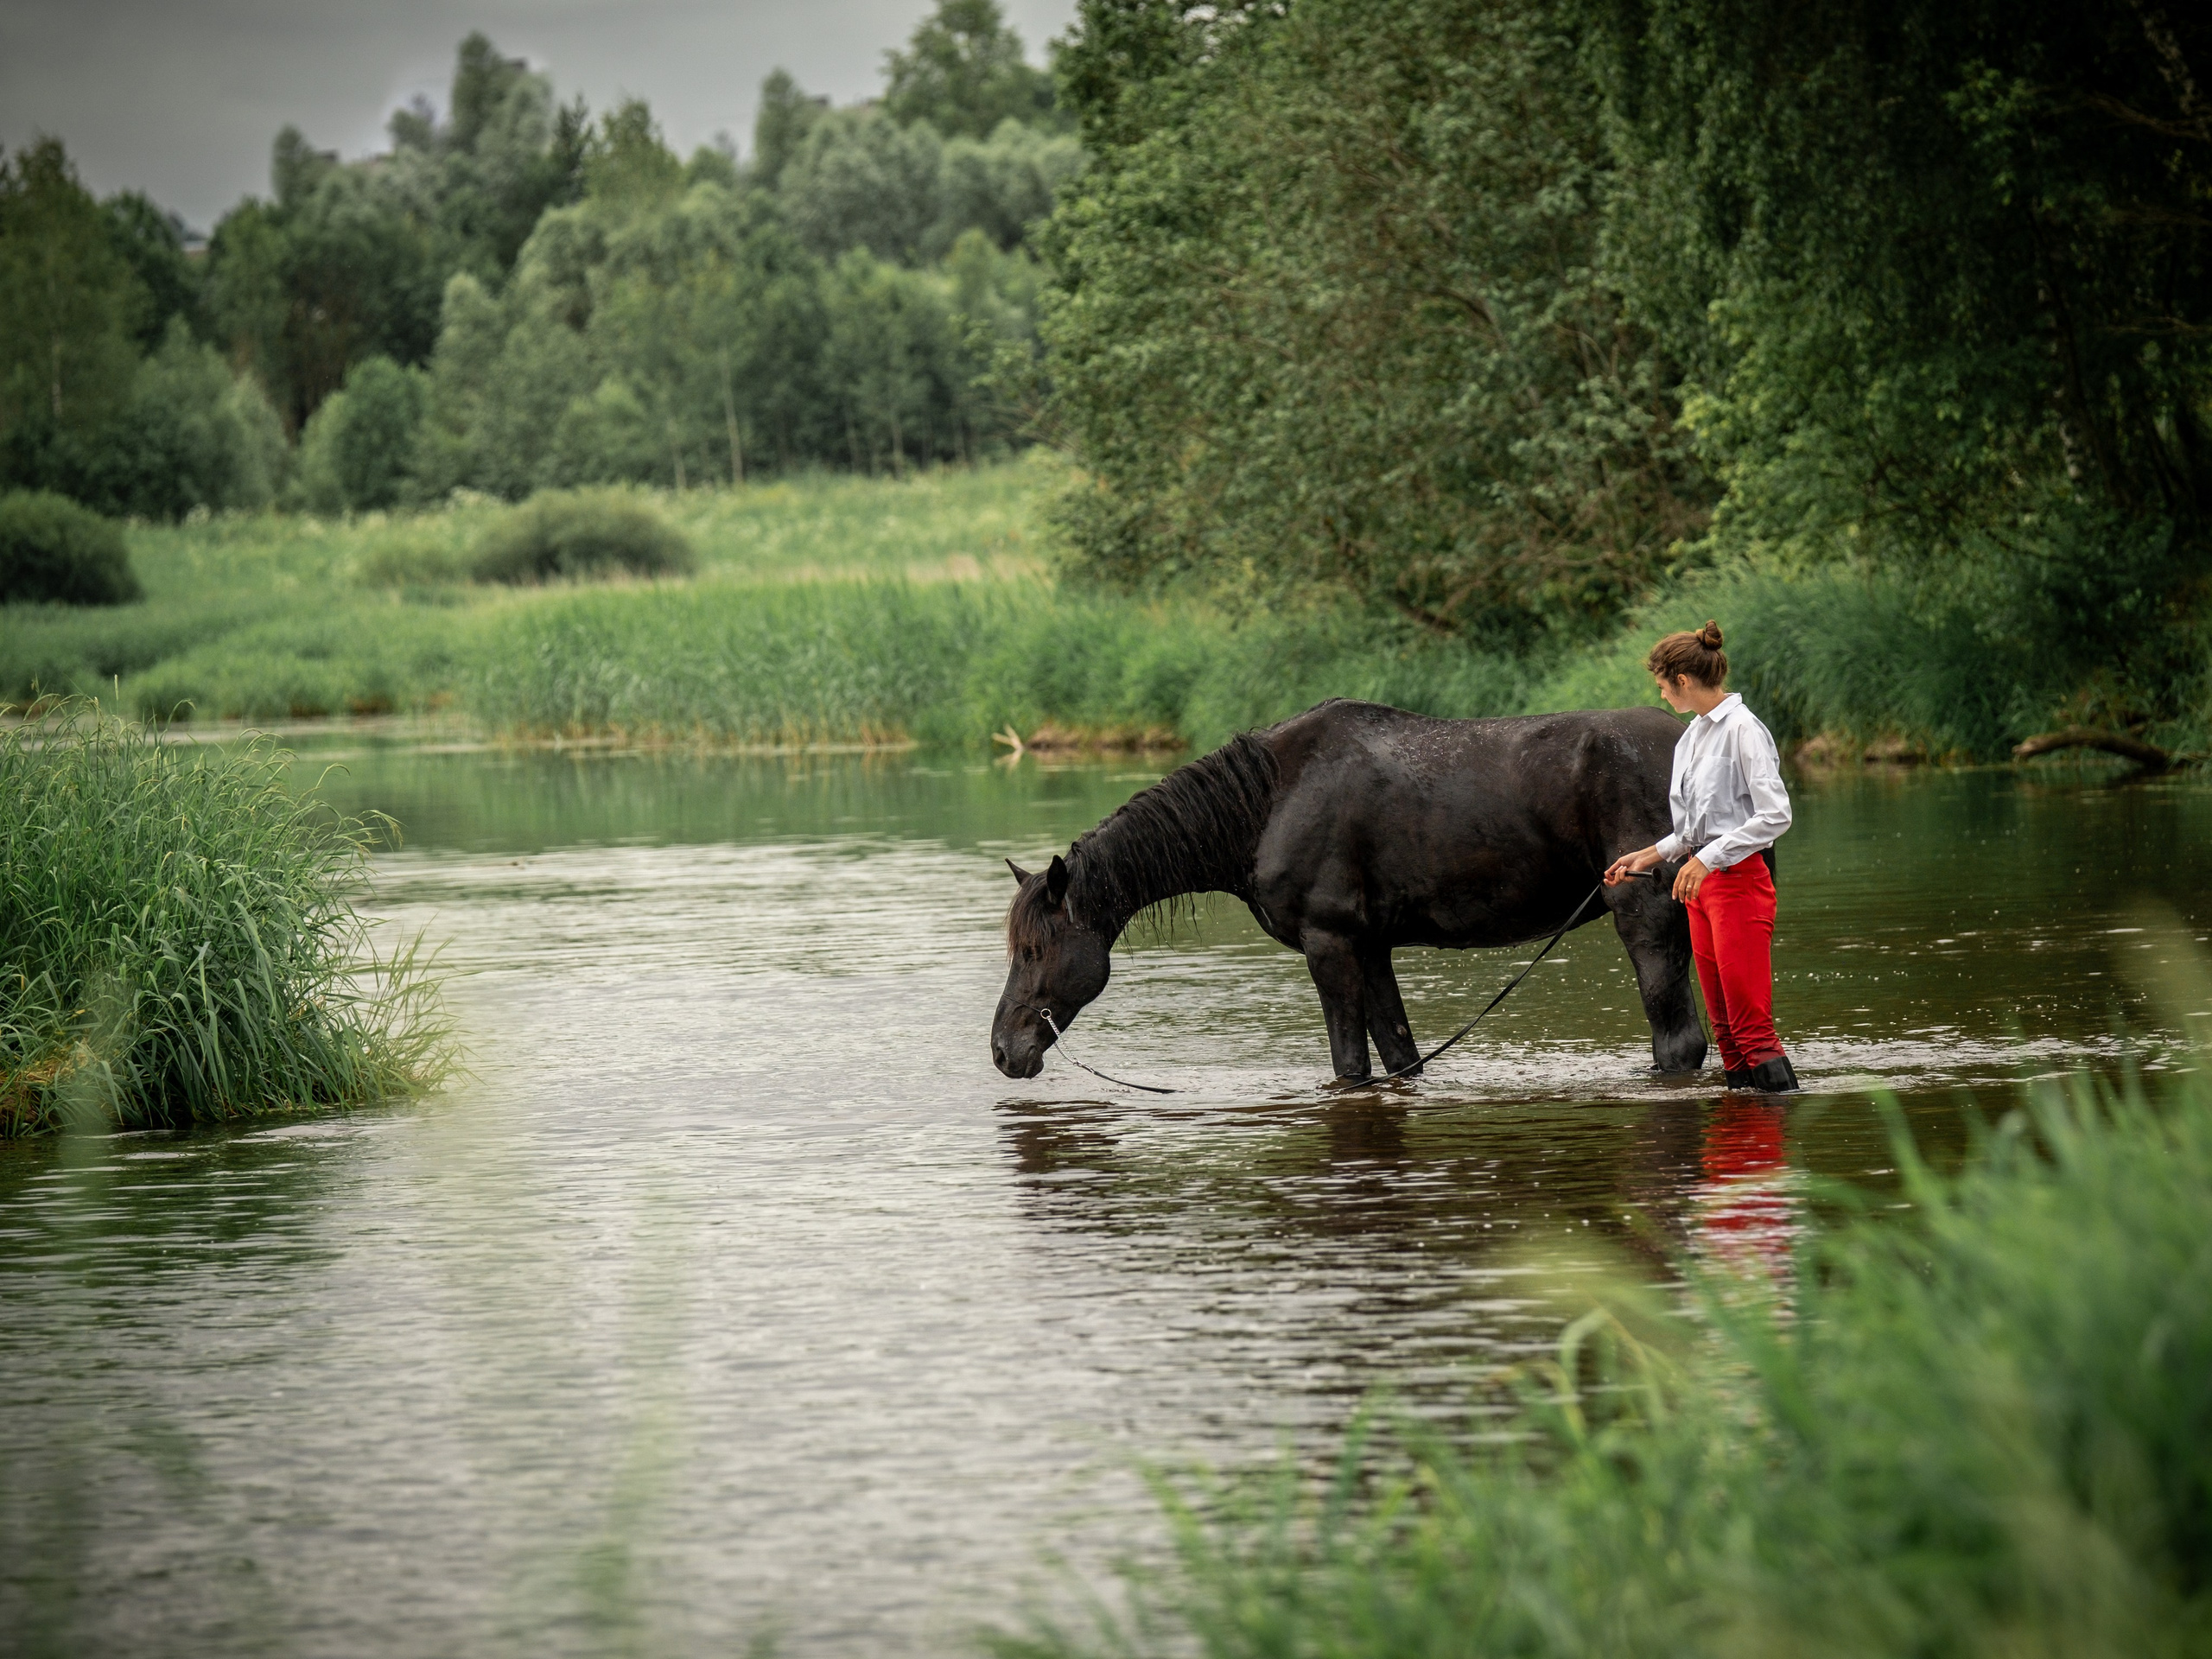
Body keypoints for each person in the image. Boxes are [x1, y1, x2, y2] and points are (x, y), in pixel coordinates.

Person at [1605, 620, 1799, 1093]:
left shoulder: (1744, 730)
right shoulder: (1692, 738)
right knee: (1727, 1035)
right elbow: (1692, 830)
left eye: (1663, 687)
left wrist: (1707, 857)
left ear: (1683, 681)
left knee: (1753, 1029)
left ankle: (1771, 1151)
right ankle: (1734, 1154)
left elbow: (1777, 816)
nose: (1664, 696)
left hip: (1739, 884)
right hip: (1698, 887)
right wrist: (1647, 856)